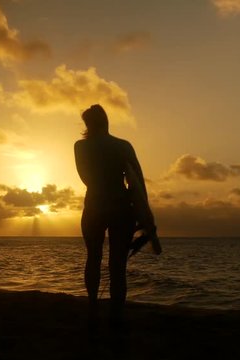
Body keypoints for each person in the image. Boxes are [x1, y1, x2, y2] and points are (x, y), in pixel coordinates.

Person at [74, 104, 156, 328]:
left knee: (93, 257)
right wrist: (145, 215)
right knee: (117, 264)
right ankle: (116, 314)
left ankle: (92, 307)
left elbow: (86, 178)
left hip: (94, 206)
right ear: (106, 121)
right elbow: (138, 182)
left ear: (87, 124)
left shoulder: (80, 147)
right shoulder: (123, 146)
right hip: (122, 207)